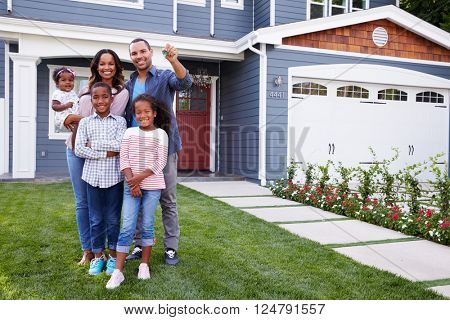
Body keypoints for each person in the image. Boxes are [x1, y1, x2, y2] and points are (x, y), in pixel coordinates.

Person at [124, 39, 192, 265]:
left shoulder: (164, 76)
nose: (139, 56)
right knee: (137, 195)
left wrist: (174, 60)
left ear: (150, 52)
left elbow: (185, 82)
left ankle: (170, 248)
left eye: (143, 51)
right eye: (134, 53)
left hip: (164, 146)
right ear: (131, 56)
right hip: (136, 149)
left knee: (167, 199)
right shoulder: (129, 83)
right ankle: (138, 244)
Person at [64, 49, 129, 266]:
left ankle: (107, 253)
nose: (106, 67)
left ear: (116, 66)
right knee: (83, 203)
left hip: (106, 160)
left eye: (111, 63)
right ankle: (89, 251)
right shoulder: (85, 89)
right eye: (102, 63)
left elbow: (110, 118)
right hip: (76, 148)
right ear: (96, 66)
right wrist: (72, 118)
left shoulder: (121, 92)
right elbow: (79, 119)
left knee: (109, 213)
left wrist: (79, 121)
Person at [106, 94, 169, 289]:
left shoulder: (161, 134)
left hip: (152, 186)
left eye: (147, 112)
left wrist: (138, 180)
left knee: (148, 225)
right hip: (131, 185)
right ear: (134, 114)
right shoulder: (129, 133)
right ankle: (118, 272)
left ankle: (144, 265)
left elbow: (161, 162)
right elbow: (123, 158)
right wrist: (132, 183)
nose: (143, 115)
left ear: (154, 113)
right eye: (139, 112)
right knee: (127, 226)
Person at [75, 82, 127, 276]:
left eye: (105, 96)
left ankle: (113, 257)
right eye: (96, 97)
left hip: (114, 178)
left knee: (113, 219)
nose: (100, 101)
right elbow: (79, 148)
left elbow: (120, 145)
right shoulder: (85, 122)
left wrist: (94, 145)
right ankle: (98, 257)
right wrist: (106, 153)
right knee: (96, 219)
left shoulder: (120, 122)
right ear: (91, 100)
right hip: (92, 179)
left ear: (111, 99)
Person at [51, 66, 79, 145]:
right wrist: (66, 106)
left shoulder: (73, 93)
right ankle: (74, 145)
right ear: (57, 83)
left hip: (72, 116)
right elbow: (54, 106)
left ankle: (77, 144)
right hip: (62, 117)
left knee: (78, 130)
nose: (68, 82)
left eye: (70, 80)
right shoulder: (57, 93)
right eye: (63, 80)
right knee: (78, 126)